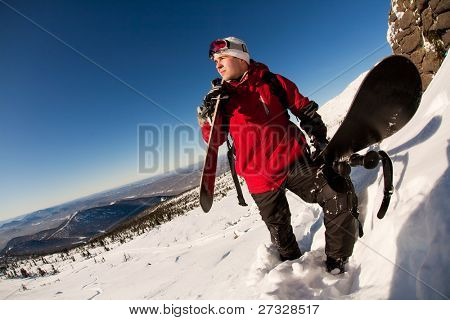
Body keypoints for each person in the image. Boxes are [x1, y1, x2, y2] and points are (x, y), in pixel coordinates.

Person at [197, 36, 359, 274]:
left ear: (241, 57)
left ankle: (336, 265)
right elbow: (216, 139)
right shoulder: (221, 99)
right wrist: (206, 117)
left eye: (223, 58)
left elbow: (303, 108)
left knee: (338, 192)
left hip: (295, 163)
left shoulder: (272, 82)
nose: (217, 64)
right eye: (215, 61)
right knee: (281, 235)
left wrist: (319, 137)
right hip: (259, 178)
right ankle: (292, 273)